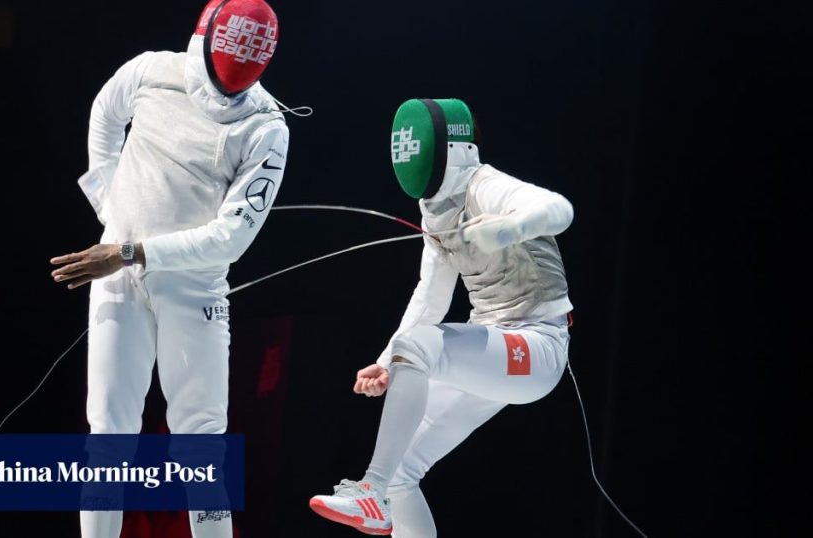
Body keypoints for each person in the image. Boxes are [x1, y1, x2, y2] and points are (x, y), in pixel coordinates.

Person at [49, 1, 288, 537]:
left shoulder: (267, 126)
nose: (219, 98)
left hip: (193, 287)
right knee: (108, 437)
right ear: (201, 41)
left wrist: (128, 250)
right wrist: (109, 206)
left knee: (201, 446)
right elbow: (105, 114)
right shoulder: (151, 70)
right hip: (117, 276)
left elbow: (231, 238)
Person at [309, 98, 574, 536]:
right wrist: (389, 359)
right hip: (492, 350)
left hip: (537, 348)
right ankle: (382, 489)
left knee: (419, 348)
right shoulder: (435, 209)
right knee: (402, 471)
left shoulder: (487, 187)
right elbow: (430, 296)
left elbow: (560, 210)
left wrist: (506, 228)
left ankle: (370, 490)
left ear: (447, 146)